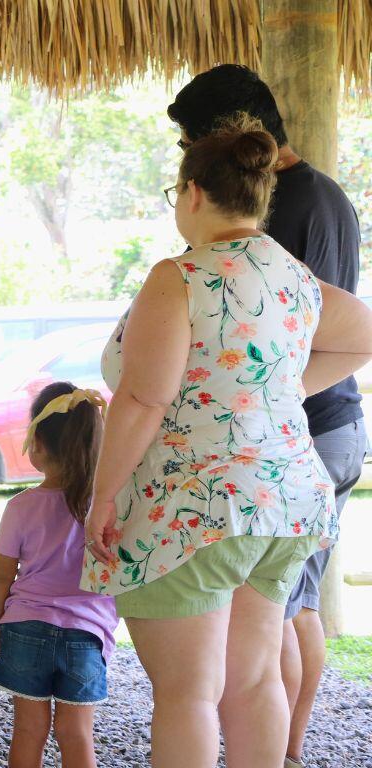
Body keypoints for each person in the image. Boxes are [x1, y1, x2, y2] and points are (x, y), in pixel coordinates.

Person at [83, 115, 372, 768]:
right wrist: (272, 391)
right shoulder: (290, 275)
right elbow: (363, 332)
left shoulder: (180, 275)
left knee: (188, 692)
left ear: (191, 194)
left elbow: (142, 398)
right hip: (286, 501)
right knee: (252, 679)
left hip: (196, 506)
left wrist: (102, 497)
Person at [167, 64, 366, 768]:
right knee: (288, 608)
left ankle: (282, 752)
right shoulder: (317, 196)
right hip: (310, 427)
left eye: (192, 145)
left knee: (275, 619)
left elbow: (313, 328)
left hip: (303, 432)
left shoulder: (297, 203)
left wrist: (268, 394)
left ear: (231, 139)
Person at [0, 383, 117, 768]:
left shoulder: (21, 506)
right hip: (87, 635)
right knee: (76, 734)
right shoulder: (108, 510)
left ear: (38, 443)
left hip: (25, 628)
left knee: (28, 731)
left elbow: (1, 577)